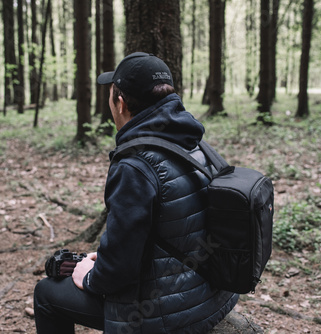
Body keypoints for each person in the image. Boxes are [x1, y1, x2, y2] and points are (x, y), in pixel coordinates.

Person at [34, 52, 238, 334]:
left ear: (120, 102)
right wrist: (104, 257)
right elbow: (171, 232)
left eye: (111, 96)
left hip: (164, 316)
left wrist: (89, 276)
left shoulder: (135, 166)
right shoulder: (194, 143)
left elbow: (118, 272)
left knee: (46, 293)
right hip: (212, 298)